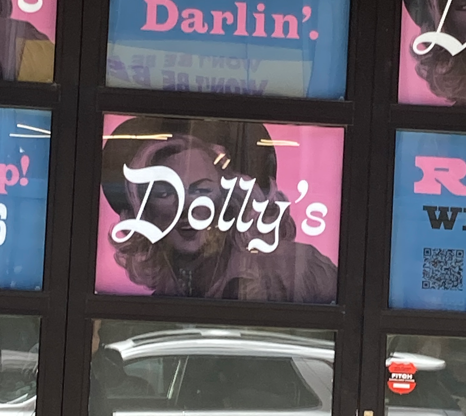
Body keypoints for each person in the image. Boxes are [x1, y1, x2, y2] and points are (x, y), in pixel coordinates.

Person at [100, 117, 338, 303]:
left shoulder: (296, 269)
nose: (186, 206)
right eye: (165, 193)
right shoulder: (161, 299)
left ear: (230, 198)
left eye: (201, 190)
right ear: (145, 211)